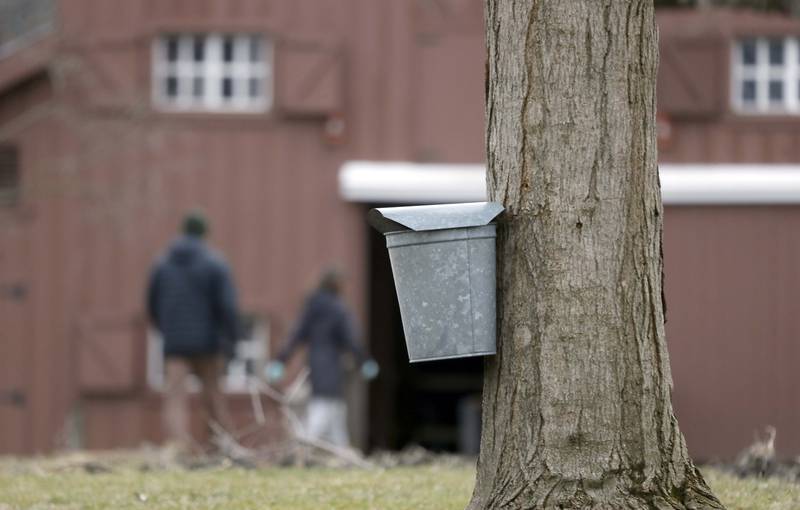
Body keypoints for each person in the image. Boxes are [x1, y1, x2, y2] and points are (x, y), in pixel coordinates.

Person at [147, 211, 239, 452]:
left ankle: (178, 446)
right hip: (209, 342)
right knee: (213, 396)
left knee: (175, 397)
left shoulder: (162, 264)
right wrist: (232, 340)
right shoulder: (215, 263)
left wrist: (166, 329)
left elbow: (152, 304)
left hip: (175, 342)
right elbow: (228, 307)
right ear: (204, 233)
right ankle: (221, 446)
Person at [266, 269, 378, 448]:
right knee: (322, 411)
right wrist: (364, 362)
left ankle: (343, 454)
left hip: (315, 365)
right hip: (332, 367)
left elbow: (296, 336)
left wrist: (280, 361)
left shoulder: (311, 307)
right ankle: (302, 450)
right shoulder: (338, 309)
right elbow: (351, 340)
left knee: (336, 415)